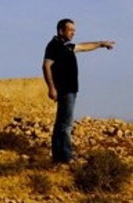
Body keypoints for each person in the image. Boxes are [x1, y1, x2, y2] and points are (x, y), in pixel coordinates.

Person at [42, 18, 115, 164]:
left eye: (74, 30)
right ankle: (66, 157)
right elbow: (46, 66)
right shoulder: (54, 45)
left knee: (61, 124)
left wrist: (100, 44)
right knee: (66, 125)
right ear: (61, 30)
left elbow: (83, 47)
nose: (73, 33)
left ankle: (58, 157)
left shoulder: (66, 46)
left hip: (70, 89)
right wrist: (51, 88)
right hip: (64, 89)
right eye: (70, 30)